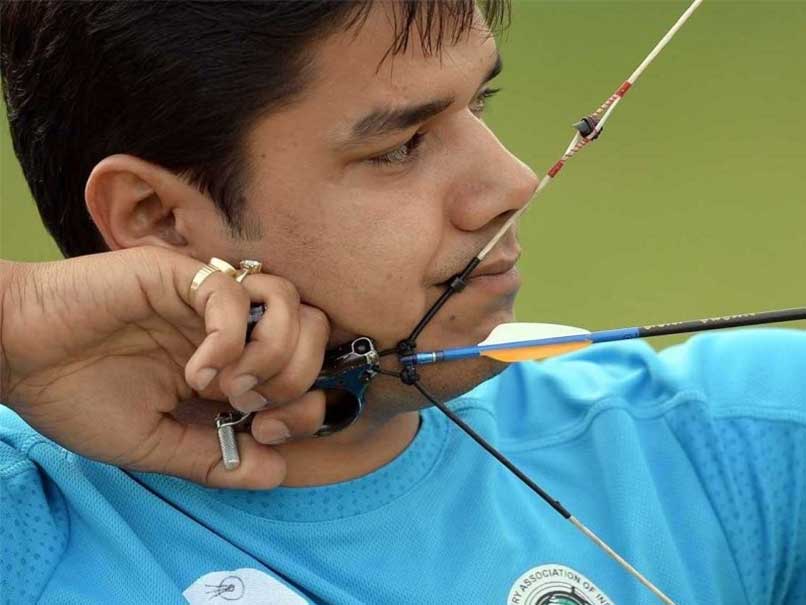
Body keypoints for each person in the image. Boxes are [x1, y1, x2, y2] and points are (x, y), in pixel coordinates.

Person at [1, 2, 804, 604]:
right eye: (400, 146)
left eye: (478, 105)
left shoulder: (724, 448)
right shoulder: (27, 521)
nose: (511, 186)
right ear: (158, 218)